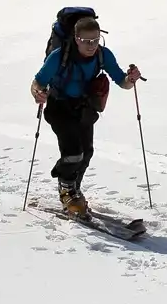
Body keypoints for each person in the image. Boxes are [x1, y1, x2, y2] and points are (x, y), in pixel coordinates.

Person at [30, 15, 142, 215]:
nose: (91, 45)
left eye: (96, 40)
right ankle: (66, 190)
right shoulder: (59, 56)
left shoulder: (103, 55)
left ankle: (74, 189)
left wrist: (131, 79)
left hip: (84, 109)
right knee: (74, 154)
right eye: (86, 41)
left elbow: (122, 82)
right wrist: (38, 93)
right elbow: (38, 82)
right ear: (76, 38)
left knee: (86, 153)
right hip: (59, 108)